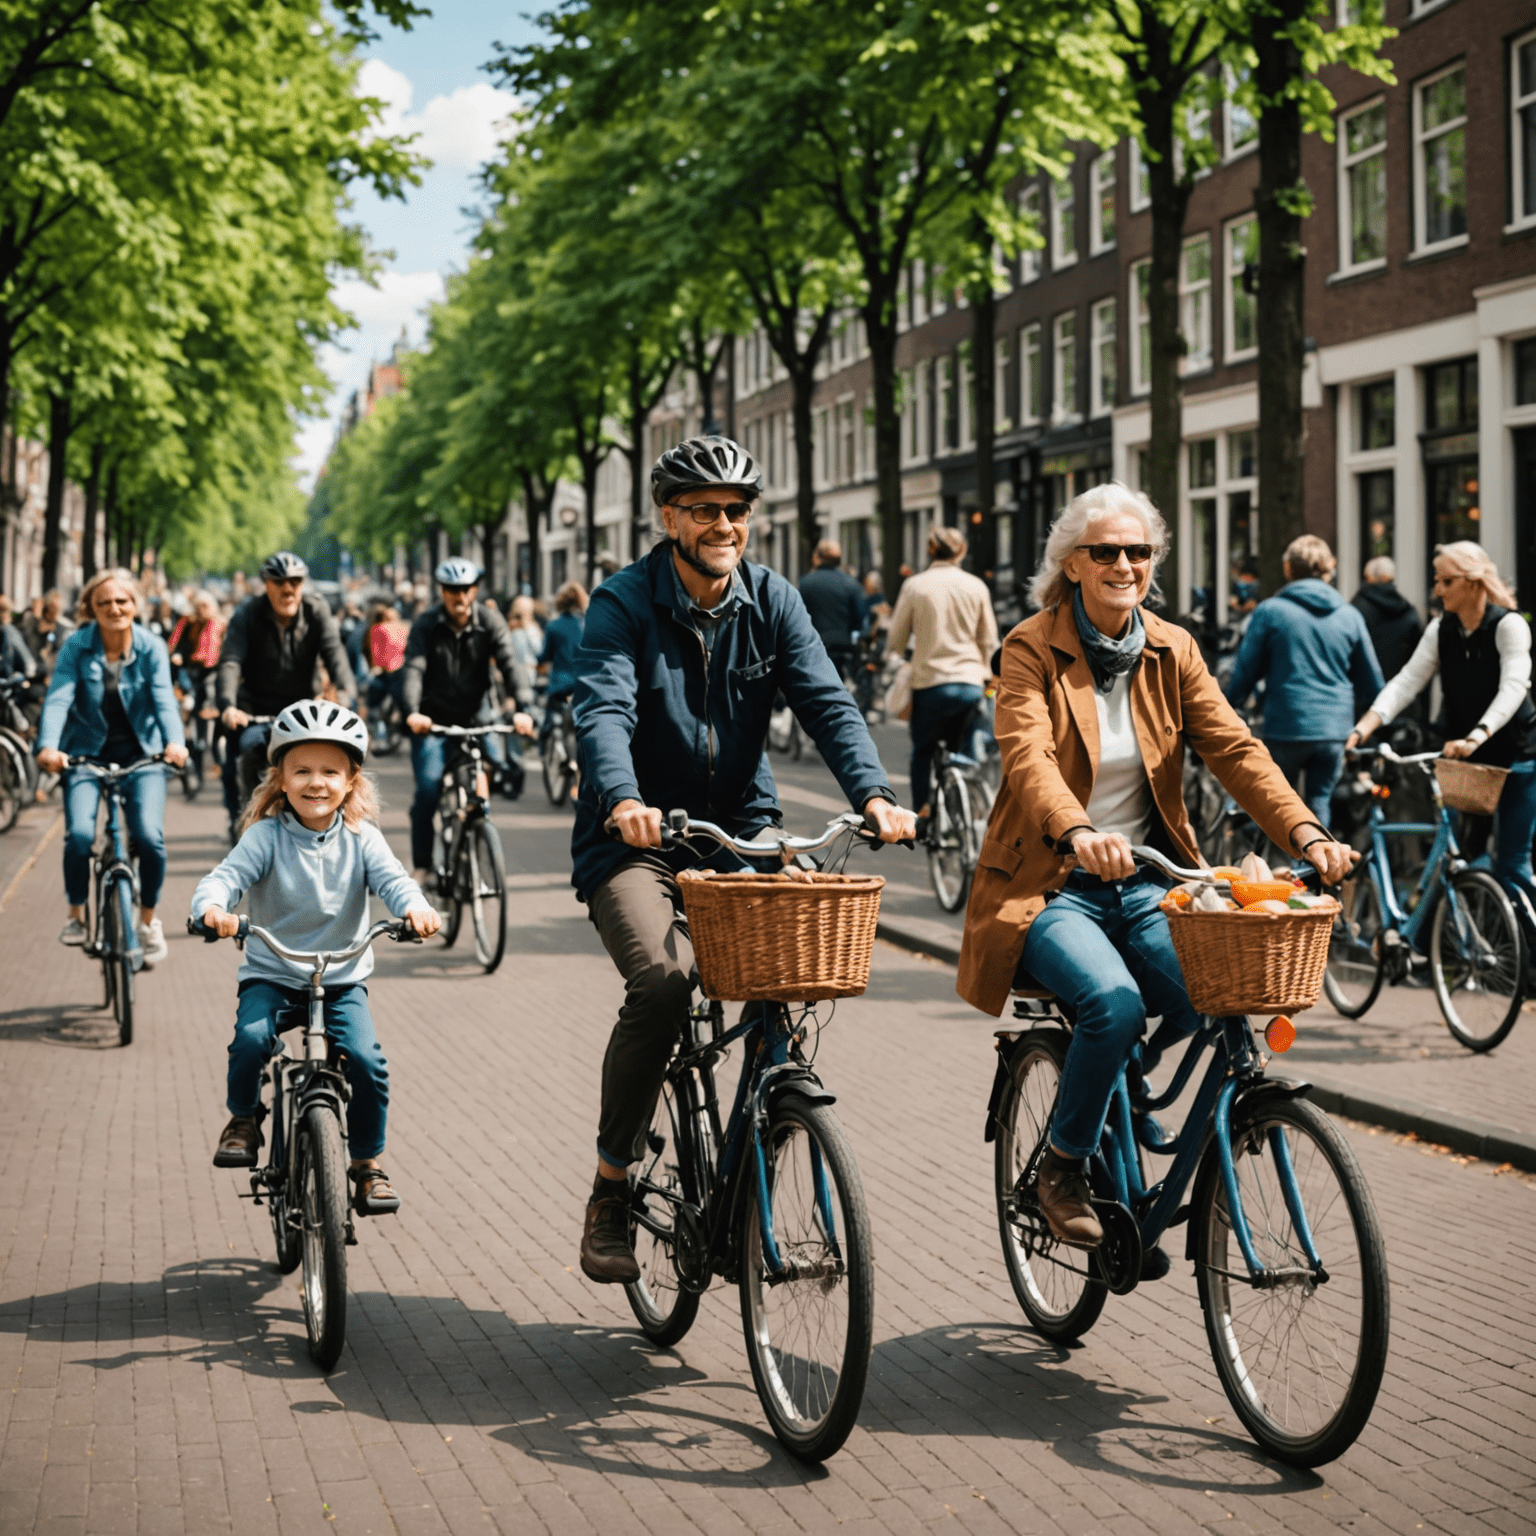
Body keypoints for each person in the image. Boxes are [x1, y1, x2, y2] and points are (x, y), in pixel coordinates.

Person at [956, 483, 1352, 1249]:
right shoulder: (1030, 647)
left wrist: (1308, 834)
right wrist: (1075, 829)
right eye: (1105, 551)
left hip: (1148, 882)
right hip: (1053, 888)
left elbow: (1236, 750)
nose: (1125, 564)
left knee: (1221, 994)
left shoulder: (1173, 648)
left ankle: (1114, 1074)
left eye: (1139, 552)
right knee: (1113, 1004)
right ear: (1073, 564)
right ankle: (1062, 1167)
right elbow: (1028, 758)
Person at [571, 433, 915, 1285]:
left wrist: (873, 794)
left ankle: (770, 1120)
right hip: (637, 838)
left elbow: (827, 701)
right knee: (662, 981)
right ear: (668, 517)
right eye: (704, 510)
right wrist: (622, 798)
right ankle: (612, 1188)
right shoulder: (623, 603)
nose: (723, 524)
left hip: (744, 828)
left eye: (736, 511)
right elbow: (603, 709)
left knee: (788, 972)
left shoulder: (773, 600)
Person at [191, 701, 440, 1214]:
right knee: (251, 1041)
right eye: (301, 770)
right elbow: (225, 878)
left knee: (368, 1063)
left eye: (330, 771)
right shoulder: (264, 837)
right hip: (273, 973)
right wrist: (211, 908)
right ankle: (242, 1118)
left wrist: (415, 908)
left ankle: (367, 1165)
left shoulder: (362, 839)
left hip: (342, 981)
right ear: (280, 778)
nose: (316, 782)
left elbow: (395, 881)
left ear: (351, 782)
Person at [1350, 541, 1536, 946]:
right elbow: (1405, 683)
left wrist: (1478, 734)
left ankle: (1524, 950)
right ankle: (1474, 947)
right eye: (1437, 581)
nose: (1437, 590)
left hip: (1516, 757)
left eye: (1446, 581)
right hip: (1467, 761)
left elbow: (1514, 687)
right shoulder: (1441, 630)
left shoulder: (1509, 626)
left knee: (1514, 864)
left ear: (1472, 583)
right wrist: (1363, 728)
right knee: (1464, 857)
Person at [35, 569, 189, 963]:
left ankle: (148, 921)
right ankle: (75, 914)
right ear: (91, 609)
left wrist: (175, 742)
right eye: (104, 602)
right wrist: (49, 746)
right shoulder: (75, 647)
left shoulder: (152, 646)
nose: (114, 608)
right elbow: (58, 698)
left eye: (122, 601)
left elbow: (163, 700)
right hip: (86, 754)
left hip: (144, 754)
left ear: (135, 605)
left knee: (150, 837)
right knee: (81, 836)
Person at [1223, 535, 1383, 836]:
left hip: (1287, 724)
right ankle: (1313, 873)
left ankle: (1274, 874)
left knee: (1276, 806)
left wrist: (1228, 705)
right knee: (1318, 803)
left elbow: (1245, 671)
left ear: (1288, 570)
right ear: (1328, 571)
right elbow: (1373, 683)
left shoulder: (1270, 612)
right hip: (1334, 730)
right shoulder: (1350, 616)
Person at [402, 558, 533, 886]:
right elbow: (414, 669)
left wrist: (523, 707)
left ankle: (474, 826)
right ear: (442, 591)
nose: (459, 597)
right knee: (428, 790)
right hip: (432, 721)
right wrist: (412, 710)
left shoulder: (490, 621)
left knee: (495, 765)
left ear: (474, 589)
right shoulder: (426, 624)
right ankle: (422, 865)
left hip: (476, 716)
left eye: (465, 590)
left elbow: (509, 663)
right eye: (452, 591)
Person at [217, 551, 356, 842]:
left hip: (303, 711)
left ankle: (336, 830)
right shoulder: (247, 615)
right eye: (279, 581)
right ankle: (244, 822)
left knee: (332, 760)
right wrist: (229, 705)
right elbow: (231, 661)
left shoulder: (316, 610)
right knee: (243, 753)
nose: (288, 588)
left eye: (295, 581)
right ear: (266, 584)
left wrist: (344, 692)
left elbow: (335, 654)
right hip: (256, 709)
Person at [885, 525, 1000, 815]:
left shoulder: (915, 586)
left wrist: (897, 654)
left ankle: (923, 810)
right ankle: (965, 801)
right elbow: (989, 640)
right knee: (963, 748)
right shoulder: (976, 586)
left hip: (930, 682)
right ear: (962, 552)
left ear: (930, 550)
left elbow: (896, 638)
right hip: (971, 682)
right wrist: (991, 677)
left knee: (922, 750)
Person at [1350, 556, 1423, 690]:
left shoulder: (1355, 610)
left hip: (1364, 694)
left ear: (1367, 577)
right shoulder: (1408, 611)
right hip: (1399, 693)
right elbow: (1419, 659)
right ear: (1391, 578)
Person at [798, 539, 865, 679]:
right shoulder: (851, 584)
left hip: (814, 647)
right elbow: (860, 617)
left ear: (818, 557)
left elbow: (798, 618)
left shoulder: (805, 584)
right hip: (843, 647)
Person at [536, 582, 587, 745]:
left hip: (560, 683)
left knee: (549, 723)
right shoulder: (587, 625)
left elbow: (544, 656)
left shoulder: (554, 626)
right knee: (577, 725)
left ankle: (548, 746)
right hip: (583, 684)